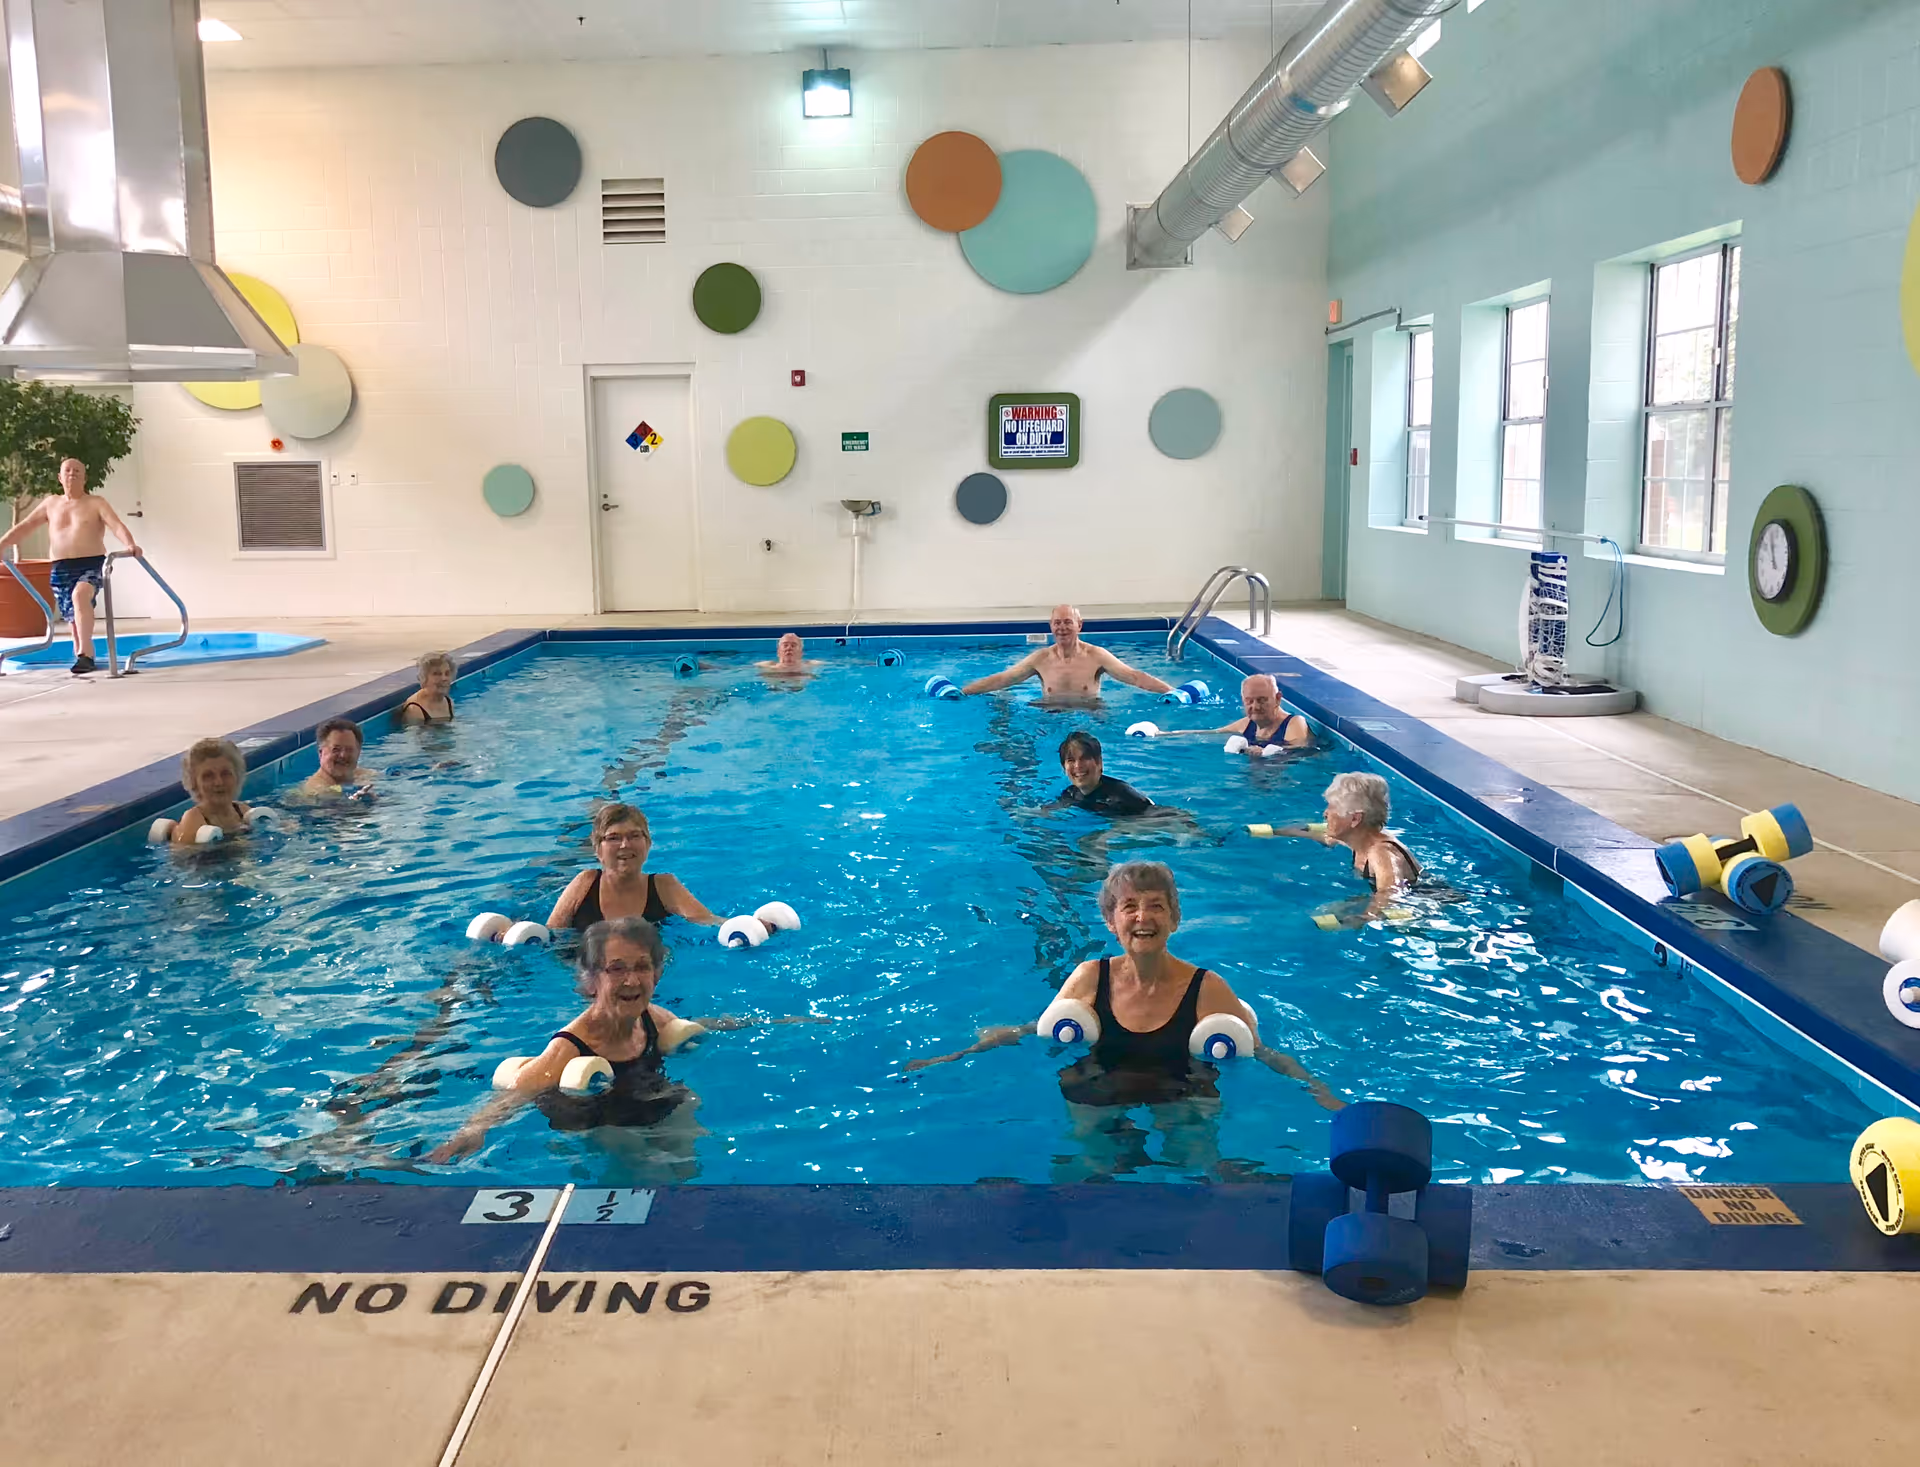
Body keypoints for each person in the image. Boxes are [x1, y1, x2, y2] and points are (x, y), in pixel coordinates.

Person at [903, 861, 1341, 1114]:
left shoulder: (1208, 988)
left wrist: (1318, 1091)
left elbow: (1261, 1052)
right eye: (1129, 907)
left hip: (1183, 1088)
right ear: (1112, 923)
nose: (1142, 918)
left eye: (1156, 907)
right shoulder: (1090, 978)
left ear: (1175, 919)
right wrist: (958, 1055)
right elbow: (1039, 1027)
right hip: (1099, 1084)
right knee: (1087, 1171)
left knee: (1195, 1161)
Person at [430, 918, 703, 1162]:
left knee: (688, 1109)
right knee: (630, 1151)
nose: (632, 981)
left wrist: (734, 1022)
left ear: (656, 974)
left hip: (641, 1101)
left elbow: (697, 1026)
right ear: (592, 979)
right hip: (592, 1124)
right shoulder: (570, 1046)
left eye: (642, 967)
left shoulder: (653, 1019)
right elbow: (517, 1093)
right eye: (616, 969)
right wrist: (473, 1130)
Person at [0, 457, 142, 675]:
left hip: (92, 563)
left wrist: (130, 544)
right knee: (72, 617)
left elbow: (117, 526)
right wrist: (3, 543)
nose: (72, 474)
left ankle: (86, 652)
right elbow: (26, 526)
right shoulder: (51, 504)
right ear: (60, 477)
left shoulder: (96, 502)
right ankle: (83, 654)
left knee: (80, 595)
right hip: (61, 567)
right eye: (67, 470)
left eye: (77, 471)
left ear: (85, 478)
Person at [1252, 771, 1423, 925]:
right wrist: (1274, 831)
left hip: (1424, 906)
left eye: (1332, 807)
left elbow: (1390, 891)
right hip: (1382, 894)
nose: (1325, 813)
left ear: (1355, 819)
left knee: (1330, 913)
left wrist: (1364, 918)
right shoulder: (1358, 839)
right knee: (1328, 910)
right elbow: (1323, 837)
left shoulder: (1381, 852)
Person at [546, 803, 722, 932]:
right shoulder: (586, 883)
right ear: (598, 849)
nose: (625, 845)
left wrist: (746, 926)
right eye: (613, 838)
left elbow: (709, 921)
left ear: (648, 844)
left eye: (634, 835)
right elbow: (549, 935)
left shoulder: (664, 886)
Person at [962, 605, 1172, 701]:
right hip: (1049, 715)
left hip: (1089, 716)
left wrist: (1172, 692)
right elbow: (1003, 679)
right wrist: (963, 693)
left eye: (1068, 622)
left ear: (1079, 625)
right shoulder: (1041, 658)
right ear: (1051, 627)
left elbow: (1134, 677)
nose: (1062, 628)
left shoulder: (1097, 655)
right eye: (1057, 623)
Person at [1156, 674, 1312, 755]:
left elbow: (1299, 751)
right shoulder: (1247, 723)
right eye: (1249, 701)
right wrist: (1163, 734)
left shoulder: (1294, 723)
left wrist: (1268, 753)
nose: (1255, 707)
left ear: (1278, 699)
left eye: (1262, 700)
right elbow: (1210, 733)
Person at [1045, 731, 1157, 818]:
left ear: (1099, 763)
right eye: (1071, 760)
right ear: (1064, 768)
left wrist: (1106, 835)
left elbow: (1157, 819)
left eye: (1085, 758)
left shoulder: (1121, 797)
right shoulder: (1071, 793)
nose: (1078, 766)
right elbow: (1049, 810)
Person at [171, 737, 253, 845]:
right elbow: (182, 859)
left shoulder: (242, 811)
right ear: (194, 783)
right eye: (208, 776)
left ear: (237, 777)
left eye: (225, 773)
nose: (219, 782)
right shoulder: (193, 823)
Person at [299, 718, 375, 797]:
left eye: (349, 749)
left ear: (358, 752)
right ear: (321, 753)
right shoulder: (316, 791)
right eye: (336, 749)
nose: (343, 755)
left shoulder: (364, 775)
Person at [399, 651, 456, 724]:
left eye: (447, 673)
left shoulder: (448, 702)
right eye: (437, 674)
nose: (443, 678)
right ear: (424, 678)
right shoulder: (415, 709)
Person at [756, 633, 821, 679]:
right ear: (778, 652)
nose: (789, 648)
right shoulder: (765, 666)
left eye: (793, 645)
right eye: (785, 645)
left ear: (801, 652)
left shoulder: (812, 665)